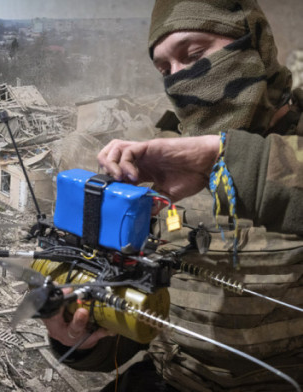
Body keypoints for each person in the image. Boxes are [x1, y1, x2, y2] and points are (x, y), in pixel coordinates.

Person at [44, 1, 303, 391]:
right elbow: (139, 322)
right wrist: (84, 334)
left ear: (257, 44)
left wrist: (224, 159)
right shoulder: (165, 167)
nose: (179, 80)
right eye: (165, 70)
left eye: (194, 55)